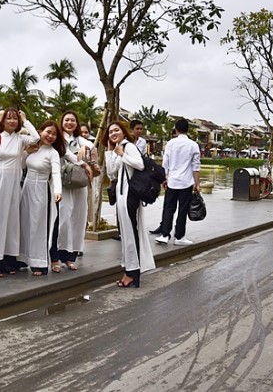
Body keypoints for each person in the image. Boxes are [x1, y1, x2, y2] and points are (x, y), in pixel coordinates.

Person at [0, 107, 39, 277]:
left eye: (15, 118)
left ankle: (8, 260)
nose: (12, 121)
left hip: (15, 181)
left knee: (12, 221)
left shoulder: (21, 138)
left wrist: (26, 120)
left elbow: (36, 138)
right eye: (9, 118)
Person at [105, 120, 155, 288]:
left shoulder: (129, 146)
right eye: (110, 131)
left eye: (116, 130)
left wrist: (122, 154)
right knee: (126, 234)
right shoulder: (118, 147)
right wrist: (110, 151)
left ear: (124, 131)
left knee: (130, 234)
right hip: (121, 195)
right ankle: (128, 269)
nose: (113, 133)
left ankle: (132, 273)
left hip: (129, 196)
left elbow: (140, 165)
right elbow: (111, 172)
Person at [19, 120, 64, 275]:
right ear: (40, 131)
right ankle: (23, 258)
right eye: (48, 132)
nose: (50, 136)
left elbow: (56, 173)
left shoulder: (53, 153)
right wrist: (26, 152)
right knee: (24, 223)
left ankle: (39, 263)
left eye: (54, 134)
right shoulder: (34, 148)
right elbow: (22, 165)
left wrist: (58, 190)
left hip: (41, 189)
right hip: (27, 188)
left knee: (38, 226)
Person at [53, 111, 93, 272]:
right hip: (61, 182)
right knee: (62, 217)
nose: (70, 123)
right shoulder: (57, 137)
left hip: (79, 183)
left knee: (78, 218)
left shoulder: (80, 139)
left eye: (73, 120)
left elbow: (92, 146)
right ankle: (56, 255)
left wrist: (85, 146)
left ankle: (71, 257)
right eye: (67, 120)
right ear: (61, 121)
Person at [152, 118, 200, 246]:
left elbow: (165, 164)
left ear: (176, 129)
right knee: (182, 209)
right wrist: (197, 184)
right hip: (186, 183)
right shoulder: (193, 145)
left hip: (172, 181)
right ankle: (179, 237)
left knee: (169, 208)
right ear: (187, 129)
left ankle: (165, 234)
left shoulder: (170, 144)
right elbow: (196, 167)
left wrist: (165, 178)